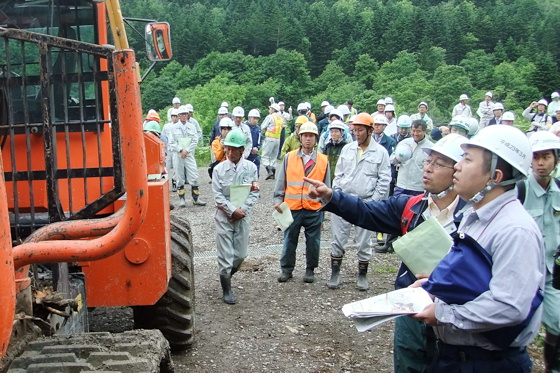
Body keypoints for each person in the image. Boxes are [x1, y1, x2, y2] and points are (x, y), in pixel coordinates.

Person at [304, 133, 468, 373]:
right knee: (408, 362)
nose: (428, 168)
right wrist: (331, 196)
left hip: (455, 310)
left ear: (458, 171)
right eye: (427, 161)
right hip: (412, 305)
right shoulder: (410, 206)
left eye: (437, 163)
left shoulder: (473, 216)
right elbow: (366, 212)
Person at [413, 125, 544, 372]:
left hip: (486, 364)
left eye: (468, 159)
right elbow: (476, 279)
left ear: (494, 177)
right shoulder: (476, 216)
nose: (458, 166)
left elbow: (510, 306)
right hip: (455, 358)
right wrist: (435, 287)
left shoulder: (515, 230)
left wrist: (444, 314)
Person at [328, 113, 391, 291]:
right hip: (344, 200)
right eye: (355, 130)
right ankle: (335, 272)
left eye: (360, 130)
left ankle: (362, 275)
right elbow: (338, 174)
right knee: (338, 238)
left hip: (365, 203)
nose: (357, 133)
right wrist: (337, 195)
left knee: (364, 241)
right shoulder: (347, 149)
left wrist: (373, 202)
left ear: (370, 130)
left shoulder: (381, 153)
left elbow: (384, 181)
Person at [520, 131, 560, 372]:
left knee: (556, 324)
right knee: (518, 326)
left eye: (546, 157)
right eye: (536, 158)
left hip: (552, 272)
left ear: (555, 159)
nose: (541, 163)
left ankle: (552, 367)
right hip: (525, 271)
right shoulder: (520, 190)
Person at [274, 122, 331, 283]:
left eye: (311, 136)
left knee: (313, 241)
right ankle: (286, 269)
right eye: (305, 135)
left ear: (316, 139)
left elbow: (327, 187)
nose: (308, 139)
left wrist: (324, 209)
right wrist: (278, 199)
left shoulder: (323, 160)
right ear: (300, 137)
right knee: (289, 239)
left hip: (314, 209)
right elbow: (281, 181)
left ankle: (310, 269)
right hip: (292, 208)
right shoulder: (289, 157)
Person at [212, 129, 259, 304]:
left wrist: (242, 210)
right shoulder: (218, 170)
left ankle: (227, 274)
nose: (230, 153)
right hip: (224, 216)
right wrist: (232, 211)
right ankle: (226, 288)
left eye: (234, 149)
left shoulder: (251, 168)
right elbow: (217, 195)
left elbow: (254, 192)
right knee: (225, 255)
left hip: (243, 216)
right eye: (228, 149)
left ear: (242, 150)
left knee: (240, 254)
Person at [169, 105, 207, 207]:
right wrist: (180, 150)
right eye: (182, 114)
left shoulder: (192, 126)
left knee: (194, 176)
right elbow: (171, 142)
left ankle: (196, 198)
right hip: (178, 155)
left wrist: (187, 150)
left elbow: (195, 140)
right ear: (179, 115)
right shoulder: (173, 128)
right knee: (179, 177)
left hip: (189, 154)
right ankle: (182, 200)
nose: (184, 116)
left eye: (186, 114)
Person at [393, 120, 433, 196]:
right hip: (401, 185)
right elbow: (392, 159)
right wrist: (397, 159)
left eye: (418, 131)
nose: (415, 134)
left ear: (425, 131)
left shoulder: (431, 147)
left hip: (418, 188)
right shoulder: (404, 143)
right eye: (413, 131)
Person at [261, 103, 283, 180]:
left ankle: (269, 170)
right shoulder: (280, 118)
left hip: (270, 138)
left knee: (265, 156)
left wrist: (266, 130)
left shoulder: (270, 117)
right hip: (278, 139)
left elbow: (262, 126)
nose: (269, 109)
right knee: (274, 157)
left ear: (273, 109)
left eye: (270, 108)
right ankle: (273, 174)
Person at [161, 108, 179, 191]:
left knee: (176, 167)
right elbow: (163, 138)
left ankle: (175, 183)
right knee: (166, 168)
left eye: (176, 116)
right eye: (173, 116)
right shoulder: (166, 126)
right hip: (168, 150)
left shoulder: (179, 127)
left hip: (176, 150)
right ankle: (165, 183)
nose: (174, 118)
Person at [245, 109, 262, 177]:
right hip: (246, 153)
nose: (255, 120)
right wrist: (249, 149)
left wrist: (257, 148)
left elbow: (260, 140)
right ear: (249, 118)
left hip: (254, 153)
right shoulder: (244, 127)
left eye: (257, 118)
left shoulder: (258, 128)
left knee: (256, 170)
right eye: (254, 118)